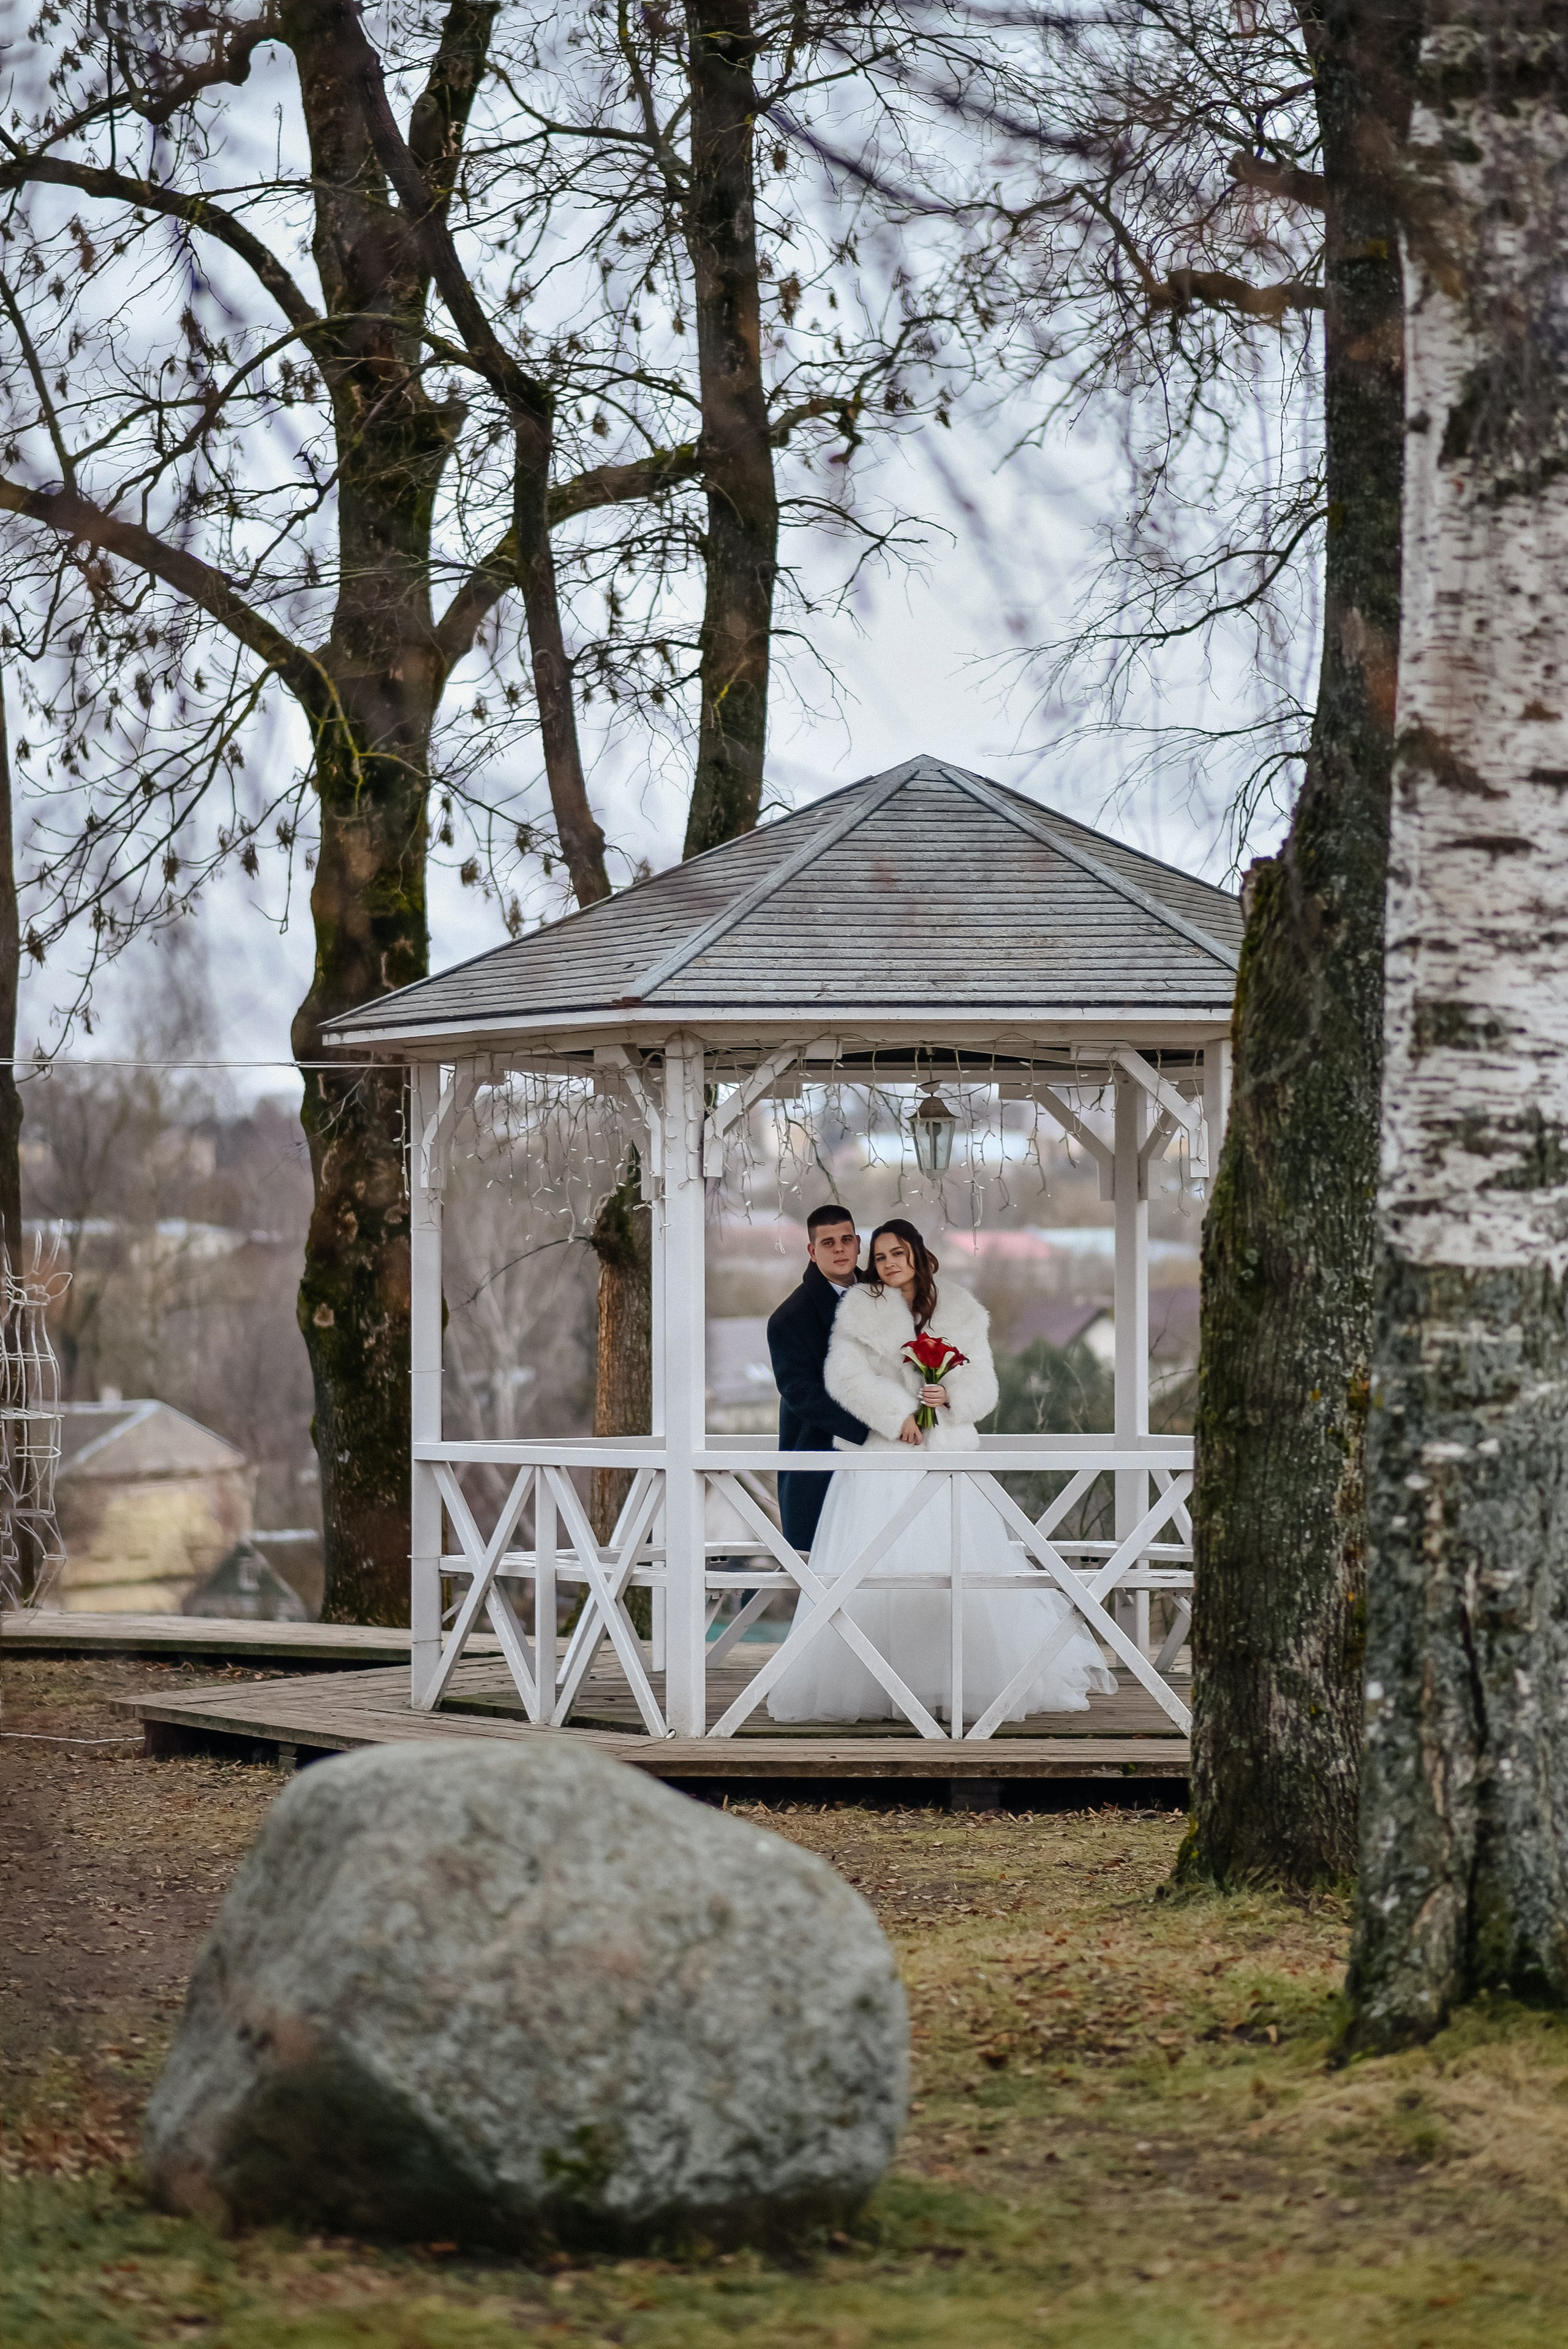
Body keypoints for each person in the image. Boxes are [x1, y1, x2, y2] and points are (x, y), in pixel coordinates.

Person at [767, 1218, 1117, 1725]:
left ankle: (959, 1685)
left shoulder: (960, 1311)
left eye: (897, 1252)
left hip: (950, 1459)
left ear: (918, 1254)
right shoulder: (861, 1309)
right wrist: (897, 1417)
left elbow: (985, 1386)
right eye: (882, 1256)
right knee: (881, 1578)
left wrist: (949, 1397)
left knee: (959, 1575)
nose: (888, 1263)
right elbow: (843, 1378)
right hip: (885, 1461)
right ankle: (881, 1687)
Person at [766, 1204, 871, 1555]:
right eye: (828, 1243)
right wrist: (871, 1429)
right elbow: (802, 1395)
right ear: (812, 1252)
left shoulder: (887, 1296)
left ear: (858, 1244)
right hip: (821, 1464)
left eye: (846, 1240)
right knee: (825, 1577)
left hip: (892, 1463)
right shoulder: (788, 1320)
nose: (839, 1249)